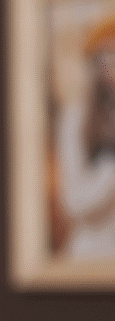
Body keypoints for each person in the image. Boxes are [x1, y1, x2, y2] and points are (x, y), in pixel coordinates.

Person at [54, 14, 115, 258]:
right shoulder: (75, 118)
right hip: (93, 255)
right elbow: (73, 202)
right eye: (108, 55)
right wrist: (110, 171)